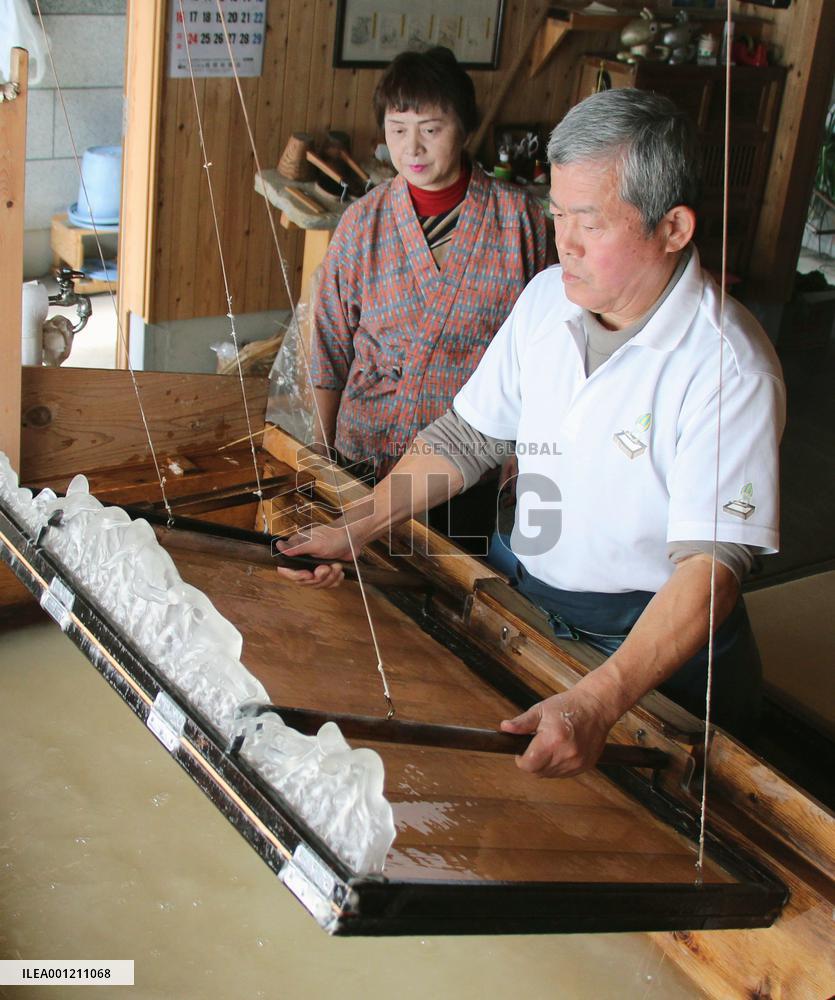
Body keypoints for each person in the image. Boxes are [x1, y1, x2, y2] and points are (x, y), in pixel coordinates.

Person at [279, 89, 785, 777]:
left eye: (589, 223)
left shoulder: (727, 367)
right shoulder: (549, 297)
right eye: (556, 215)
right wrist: (359, 525)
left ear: (672, 228)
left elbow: (710, 570)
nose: (563, 242)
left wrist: (598, 701)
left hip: (647, 650)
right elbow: (467, 438)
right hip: (525, 596)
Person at [310, 46, 548, 547]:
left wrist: (522, 453)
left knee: (446, 600)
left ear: (465, 127)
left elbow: (544, 352)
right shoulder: (363, 224)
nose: (412, 148)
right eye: (398, 130)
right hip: (365, 452)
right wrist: (320, 451)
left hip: (465, 469)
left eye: (431, 129)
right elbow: (329, 349)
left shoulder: (520, 222)